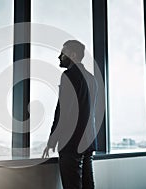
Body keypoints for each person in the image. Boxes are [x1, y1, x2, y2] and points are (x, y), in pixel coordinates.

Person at [42, 40, 98, 189]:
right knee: (88, 185)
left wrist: (52, 141)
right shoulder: (91, 78)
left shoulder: (68, 76)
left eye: (63, 53)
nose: (59, 57)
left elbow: (63, 111)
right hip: (88, 141)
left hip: (72, 143)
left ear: (72, 55)